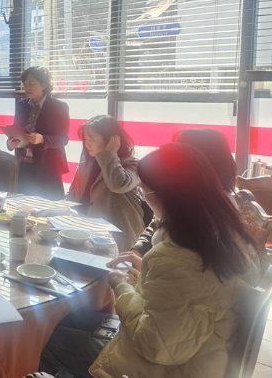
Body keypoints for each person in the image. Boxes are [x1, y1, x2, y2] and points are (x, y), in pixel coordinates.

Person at [39, 143, 261, 378]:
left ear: (167, 196)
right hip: (205, 354)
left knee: (44, 339)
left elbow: (155, 347)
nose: (143, 198)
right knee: (67, 320)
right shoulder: (227, 233)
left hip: (166, 368)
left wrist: (121, 286)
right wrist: (146, 271)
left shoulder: (176, 259)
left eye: (143, 191)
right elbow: (190, 296)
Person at [130, 128, 237, 257]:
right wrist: (138, 250)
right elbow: (157, 222)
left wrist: (144, 264)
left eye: (177, 154)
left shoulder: (215, 211)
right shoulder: (187, 197)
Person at [66, 115, 144, 252]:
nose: (87, 144)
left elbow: (117, 185)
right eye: (85, 139)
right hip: (85, 229)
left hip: (118, 236)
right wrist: (64, 213)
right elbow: (73, 192)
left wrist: (109, 153)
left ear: (110, 140)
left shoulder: (132, 164)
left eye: (92, 139)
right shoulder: (87, 162)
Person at [7, 67, 69, 200]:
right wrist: (10, 142)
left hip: (47, 167)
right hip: (23, 165)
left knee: (48, 207)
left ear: (43, 85)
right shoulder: (22, 104)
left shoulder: (59, 107)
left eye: (31, 83)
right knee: (22, 205)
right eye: (25, 84)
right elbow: (16, 129)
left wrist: (42, 139)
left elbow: (63, 139)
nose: (27, 87)